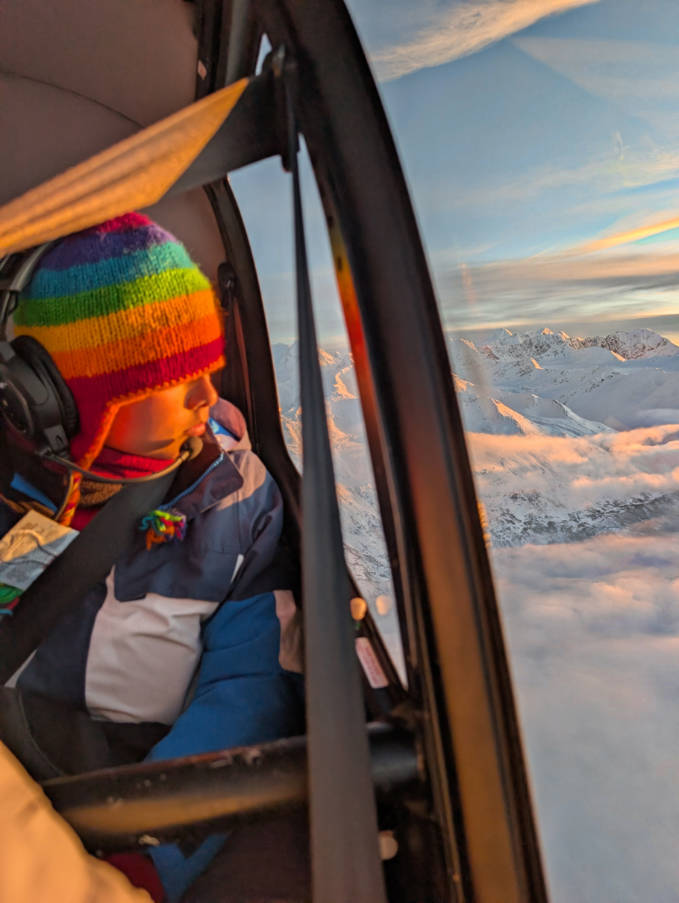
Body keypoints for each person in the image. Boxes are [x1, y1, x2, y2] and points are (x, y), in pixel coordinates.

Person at [0, 213, 305, 902]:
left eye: (209, 366)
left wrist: (154, 850)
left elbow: (250, 691)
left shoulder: (237, 500)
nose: (208, 396)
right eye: (177, 375)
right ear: (59, 394)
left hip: (150, 798)